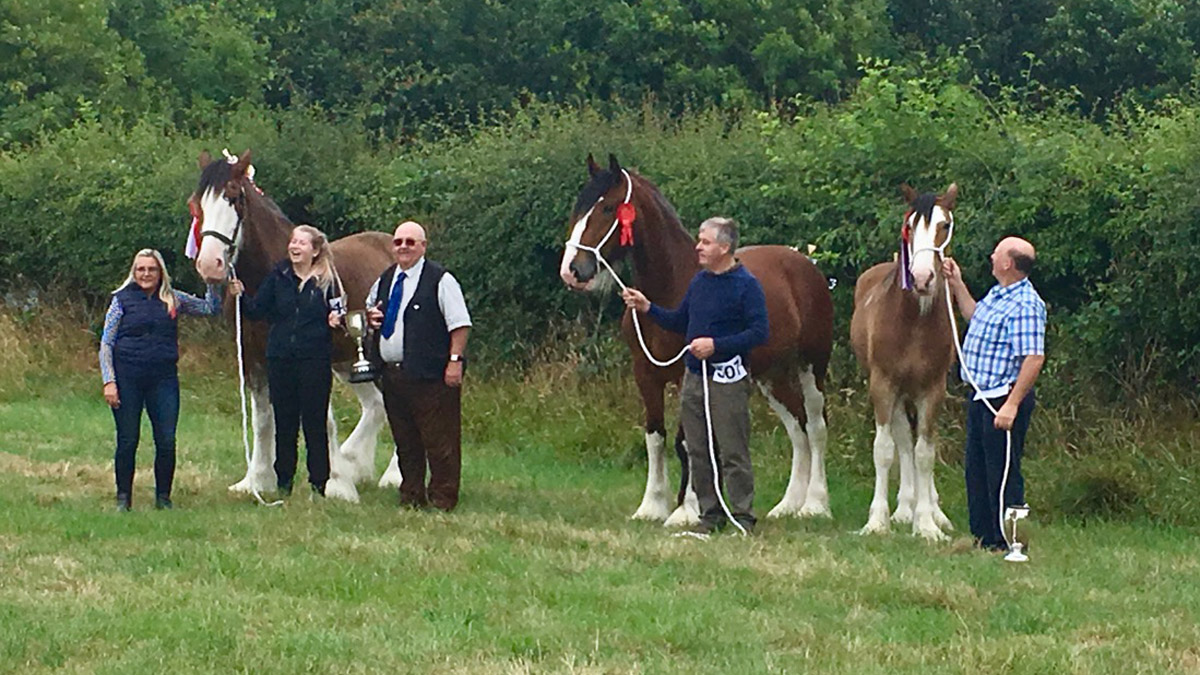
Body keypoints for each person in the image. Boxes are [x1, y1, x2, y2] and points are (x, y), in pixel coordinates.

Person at [622, 216, 769, 536]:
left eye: (705, 242)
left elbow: (759, 332)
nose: (697, 247)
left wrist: (717, 346)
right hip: (694, 378)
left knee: (732, 449)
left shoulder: (746, 285)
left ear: (724, 247)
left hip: (728, 379)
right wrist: (647, 308)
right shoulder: (699, 282)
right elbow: (679, 321)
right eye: (699, 241)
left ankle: (743, 516)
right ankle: (710, 513)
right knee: (697, 448)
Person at [943, 236, 1047, 551]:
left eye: (996, 252)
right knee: (976, 471)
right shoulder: (998, 295)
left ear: (1007, 263)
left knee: (1002, 474)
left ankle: (1010, 542)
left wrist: (1012, 405)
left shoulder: (1026, 304)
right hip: (980, 396)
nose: (991, 255)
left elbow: (1033, 357)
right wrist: (957, 284)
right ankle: (983, 538)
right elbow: (975, 316)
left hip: (1001, 399)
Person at [100, 248, 223, 511]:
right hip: (127, 378)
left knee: (166, 439)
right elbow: (106, 343)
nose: (146, 274)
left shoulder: (173, 298)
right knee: (128, 439)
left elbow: (210, 309)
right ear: (134, 272)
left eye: (151, 269)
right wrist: (109, 381)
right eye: (141, 269)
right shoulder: (120, 300)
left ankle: (163, 498)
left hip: (163, 379)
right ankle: (124, 498)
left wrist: (212, 283)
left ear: (160, 273)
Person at [230, 225, 346, 498]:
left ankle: (319, 484)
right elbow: (258, 310)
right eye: (292, 242)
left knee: (315, 424)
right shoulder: (278, 275)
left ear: (314, 250)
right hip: (281, 359)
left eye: (301, 243)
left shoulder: (328, 281)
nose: (294, 247)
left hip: (314, 359)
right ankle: (284, 483)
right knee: (285, 423)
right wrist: (241, 296)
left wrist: (335, 321)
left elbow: (340, 315)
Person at [366, 220, 472, 511]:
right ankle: (411, 494)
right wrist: (371, 317)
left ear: (423, 246)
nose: (403, 247)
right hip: (394, 374)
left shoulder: (441, 280)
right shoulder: (386, 279)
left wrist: (455, 361)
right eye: (399, 242)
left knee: (440, 442)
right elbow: (371, 308)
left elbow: (460, 324)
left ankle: (442, 498)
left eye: (410, 242)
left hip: (431, 375)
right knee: (405, 441)